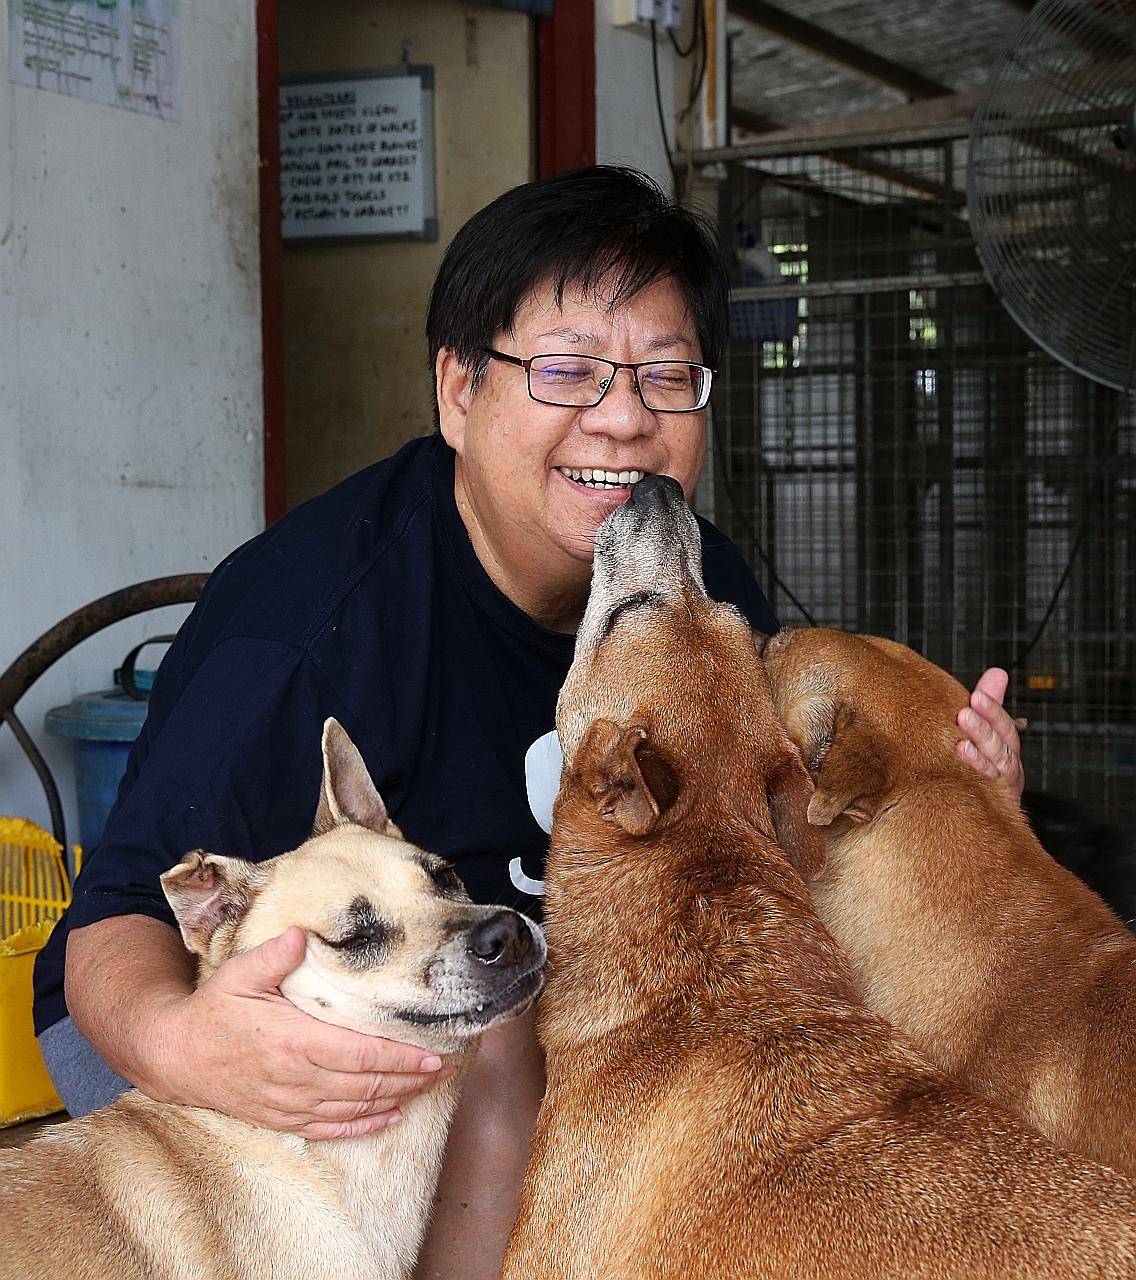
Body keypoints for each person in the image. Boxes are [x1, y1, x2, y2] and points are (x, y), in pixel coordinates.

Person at [32, 166, 1024, 1280]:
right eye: (566, 372)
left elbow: (772, 830)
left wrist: (957, 801)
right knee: (502, 1044)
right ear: (458, 390)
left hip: (501, 968)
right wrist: (188, 1044)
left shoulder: (689, 584)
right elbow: (113, 921)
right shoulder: (311, 631)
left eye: (665, 376)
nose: (623, 417)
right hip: (210, 1012)